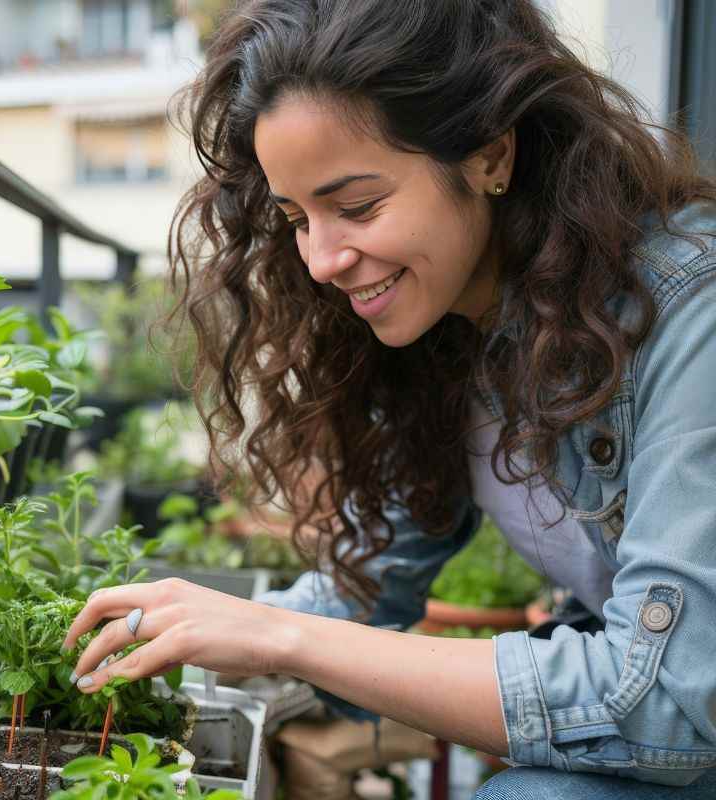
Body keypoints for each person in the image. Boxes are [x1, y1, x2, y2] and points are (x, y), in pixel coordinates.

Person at [61, 1, 716, 797]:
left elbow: (667, 704)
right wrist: (176, 642)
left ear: (491, 155)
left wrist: (279, 638)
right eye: (297, 218)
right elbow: (368, 590)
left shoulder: (689, 307)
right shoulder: (450, 326)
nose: (322, 260)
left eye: (358, 206)